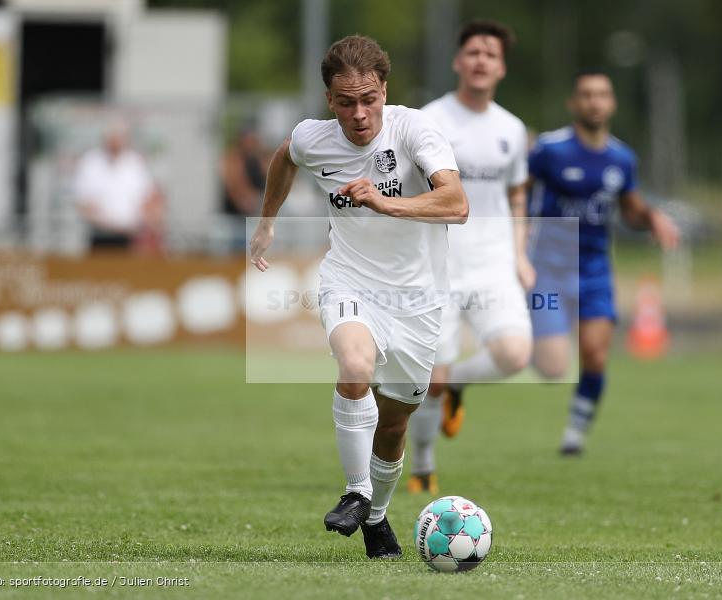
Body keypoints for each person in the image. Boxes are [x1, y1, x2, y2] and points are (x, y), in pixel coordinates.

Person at [248, 35, 467, 559]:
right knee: (353, 364)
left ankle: (376, 517)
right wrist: (267, 222)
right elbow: (284, 157)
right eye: (346, 102)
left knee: (392, 428)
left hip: (418, 300)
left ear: (384, 91)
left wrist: (386, 204)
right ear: (330, 100)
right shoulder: (313, 138)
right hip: (349, 280)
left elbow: (456, 203)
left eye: (369, 99)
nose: (360, 113)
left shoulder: (414, 128)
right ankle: (356, 491)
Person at [406, 20, 532, 495]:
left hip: (493, 263)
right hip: (439, 265)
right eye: (473, 52)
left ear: (501, 67)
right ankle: (422, 468)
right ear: (459, 61)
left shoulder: (512, 129)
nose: (481, 60)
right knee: (427, 383)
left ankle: (456, 383)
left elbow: (518, 194)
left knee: (515, 355)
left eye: (491, 54)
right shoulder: (428, 119)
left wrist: (521, 254)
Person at [528, 70, 680, 456]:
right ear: (574, 103)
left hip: (594, 269)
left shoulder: (621, 158)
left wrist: (652, 218)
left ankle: (575, 435)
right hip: (546, 268)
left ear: (611, 104)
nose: (594, 102)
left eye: (602, 95)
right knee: (550, 366)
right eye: (587, 95)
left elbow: (629, 210)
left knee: (595, 354)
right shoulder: (550, 150)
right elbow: (517, 192)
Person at [72, 118, 164, 252]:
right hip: (99, 234)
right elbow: (82, 200)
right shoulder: (91, 162)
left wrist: (152, 222)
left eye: (120, 136)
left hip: (129, 235)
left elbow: (149, 197)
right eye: (113, 136)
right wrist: (102, 220)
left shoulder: (135, 163)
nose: (116, 140)